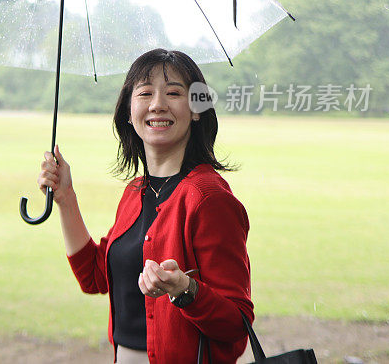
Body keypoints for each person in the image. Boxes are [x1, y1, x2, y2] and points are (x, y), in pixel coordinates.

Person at [37, 49, 253, 364]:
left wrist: (184, 289)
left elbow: (237, 321)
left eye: (174, 93)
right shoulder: (136, 191)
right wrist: (66, 199)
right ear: (128, 111)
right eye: (145, 93)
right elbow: (95, 277)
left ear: (196, 109)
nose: (157, 104)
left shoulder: (208, 197)